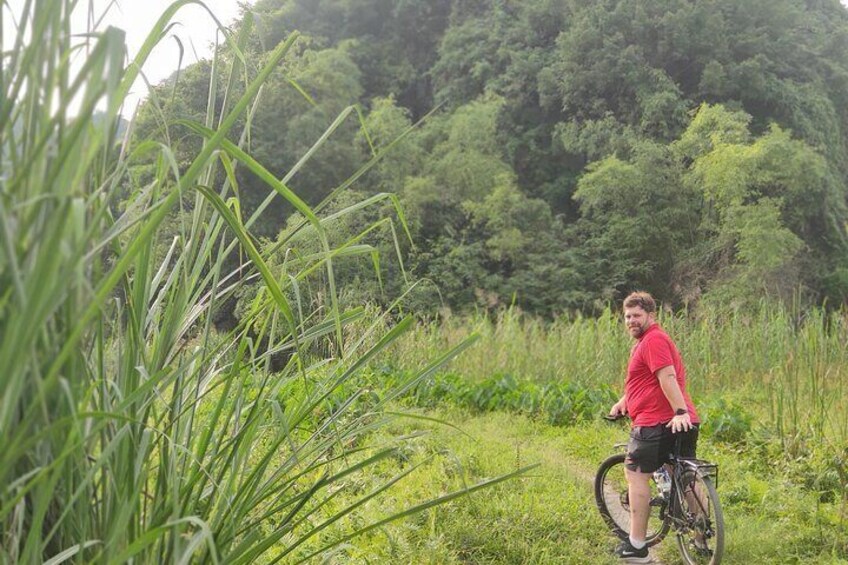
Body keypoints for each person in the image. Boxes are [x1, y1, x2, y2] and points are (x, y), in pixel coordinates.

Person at [608, 291, 700, 563]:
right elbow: (648, 381)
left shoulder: (653, 339)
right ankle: (701, 537)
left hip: (656, 422)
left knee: (636, 475)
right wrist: (625, 400)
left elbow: (667, 376)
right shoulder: (648, 341)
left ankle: (637, 546)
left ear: (651, 315)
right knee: (685, 478)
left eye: (637, 315)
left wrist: (679, 410)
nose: (631, 320)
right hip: (678, 420)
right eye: (627, 316)